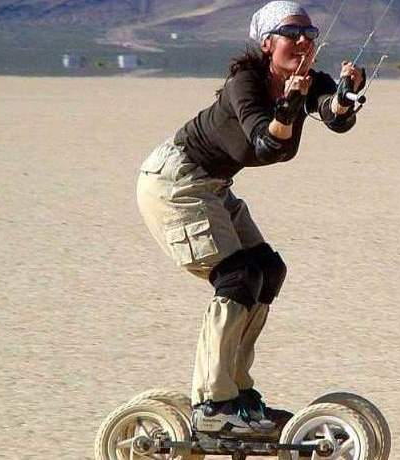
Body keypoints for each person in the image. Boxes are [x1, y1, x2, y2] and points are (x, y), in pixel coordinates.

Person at [136, 1, 365, 435]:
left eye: (309, 34)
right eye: (291, 33)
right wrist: (287, 108)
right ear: (267, 44)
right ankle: (213, 403)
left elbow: (333, 116)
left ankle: (239, 393)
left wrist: (344, 97)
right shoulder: (246, 83)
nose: (303, 41)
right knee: (237, 276)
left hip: (214, 184)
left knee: (267, 270)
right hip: (175, 180)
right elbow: (265, 143)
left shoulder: (309, 80)